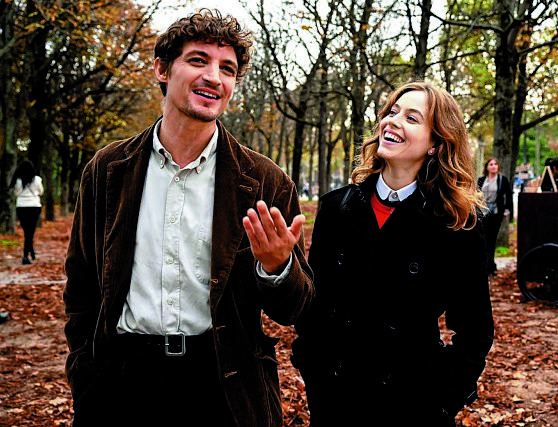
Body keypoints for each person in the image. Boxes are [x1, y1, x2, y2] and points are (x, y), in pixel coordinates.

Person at [63, 9, 313, 427]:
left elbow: (297, 307)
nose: (214, 77)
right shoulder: (108, 169)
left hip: (224, 385)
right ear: (162, 69)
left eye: (227, 68)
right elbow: (81, 283)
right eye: (198, 60)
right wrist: (84, 371)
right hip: (122, 382)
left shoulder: (266, 182)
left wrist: (277, 269)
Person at [292, 81, 494, 426]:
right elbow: (315, 306)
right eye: (392, 112)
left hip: (411, 404)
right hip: (336, 399)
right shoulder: (337, 208)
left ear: (436, 144)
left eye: (412, 118)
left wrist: (443, 400)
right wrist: (314, 373)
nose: (393, 121)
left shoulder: (457, 224)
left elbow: (474, 331)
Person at [478, 158, 513, 275]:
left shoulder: (502, 180)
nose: (493, 166)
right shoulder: (481, 180)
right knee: (483, 239)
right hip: (482, 214)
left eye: (495, 164)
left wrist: (507, 209)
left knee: (491, 239)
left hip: (496, 213)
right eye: (491, 164)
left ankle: (490, 266)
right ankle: (484, 265)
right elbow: (476, 195)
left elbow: (508, 195)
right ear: (487, 167)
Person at [10, 160, 43, 265]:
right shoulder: (37, 179)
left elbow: (16, 193)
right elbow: (41, 192)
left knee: (26, 232)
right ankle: (25, 255)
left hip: (21, 207)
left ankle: (30, 251)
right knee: (30, 232)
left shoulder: (17, 181)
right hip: (34, 206)